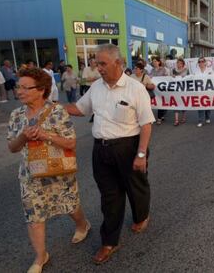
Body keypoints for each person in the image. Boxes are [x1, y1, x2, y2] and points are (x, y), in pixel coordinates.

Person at [65, 44, 155, 264]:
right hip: (101, 150)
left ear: (119, 63)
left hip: (129, 147)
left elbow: (146, 124)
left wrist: (141, 154)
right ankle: (109, 242)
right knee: (109, 197)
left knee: (136, 188)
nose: (98, 68)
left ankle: (141, 216)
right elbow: (80, 109)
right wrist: (53, 107)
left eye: (103, 63)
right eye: (97, 63)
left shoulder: (135, 89)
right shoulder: (96, 87)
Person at [7, 68, 89, 273]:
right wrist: (24, 137)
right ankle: (40, 256)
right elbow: (12, 147)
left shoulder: (57, 111)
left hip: (59, 170)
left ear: (41, 90)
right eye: (19, 86)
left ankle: (82, 225)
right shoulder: (16, 115)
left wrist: (45, 135)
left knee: (69, 204)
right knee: (34, 216)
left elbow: (70, 142)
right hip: (30, 175)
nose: (20, 91)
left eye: (26, 87)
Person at [149, 57, 168, 125]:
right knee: (156, 101)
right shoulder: (152, 70)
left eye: (155, 61)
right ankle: (161, 115)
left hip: (161, 89)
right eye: (153, 61)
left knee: (160, 102)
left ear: (159, 62)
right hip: (154, 89)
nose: (154, 63)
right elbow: (149, 77)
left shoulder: (163, 69)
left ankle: (159, 118)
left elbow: (166, 77)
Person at [194, 57, 212, 127]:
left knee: (208, 106)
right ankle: (200, 120)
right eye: (199, 62)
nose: (201, 63)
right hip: (199, 91)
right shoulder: (196, 71)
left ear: (205, 62)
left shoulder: (210, 70)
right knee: (200, 106)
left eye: (202, 61)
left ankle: (207, 117)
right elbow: (191, 78)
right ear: (198, 63)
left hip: (208, 91)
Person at [171, 58, 189, 126]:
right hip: (175, 89)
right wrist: (172, 76)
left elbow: (190, 78)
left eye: (180, 63)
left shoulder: (186, 70)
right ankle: (176, 120)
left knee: (183, 103)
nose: (179, 64)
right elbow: (170, 78)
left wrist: (185, 77)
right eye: (178, 63)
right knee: (176, 104)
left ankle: (183, 116)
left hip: (183, 89)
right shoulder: (173, 70)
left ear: (183, 64)